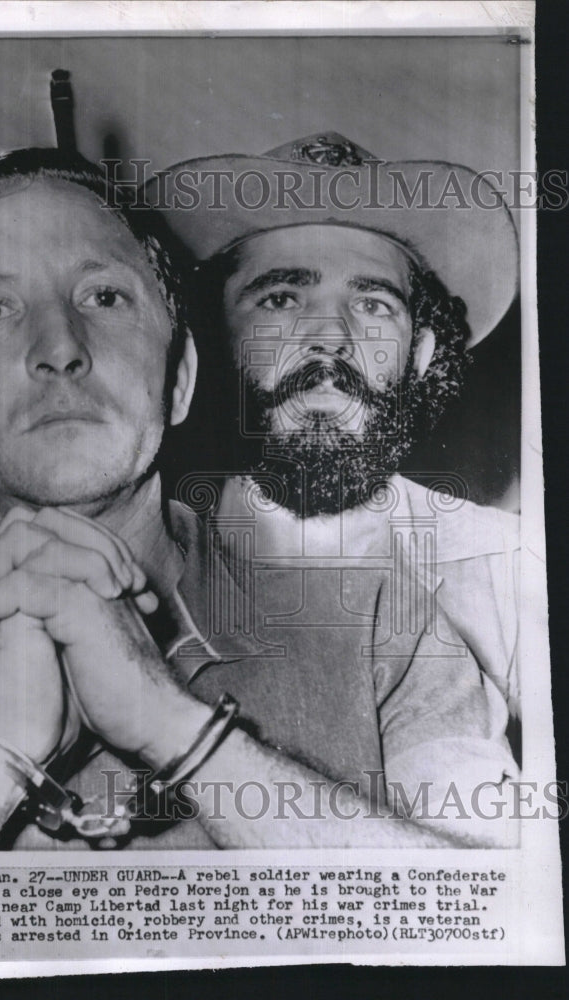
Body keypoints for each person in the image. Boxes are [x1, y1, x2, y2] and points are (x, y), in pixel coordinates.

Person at [0, 147, 517, 852]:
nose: (59, 347)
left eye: (104, 297)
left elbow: (492, 922)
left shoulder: (387, 629)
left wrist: (173, 726)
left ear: (179, 379)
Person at [149, 131, 521, 748]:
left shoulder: (509, 569)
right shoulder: (151, 566)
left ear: (420, 355)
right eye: (281, 297)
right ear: (214, 343)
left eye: (373, 305)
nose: (330, 339)